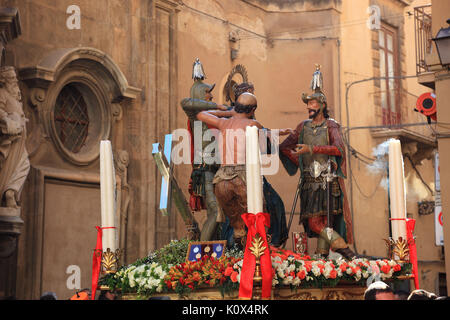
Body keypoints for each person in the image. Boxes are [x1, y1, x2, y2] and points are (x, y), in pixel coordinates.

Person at [279, 65, 356, 260]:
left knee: (323, 223)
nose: (308, 107)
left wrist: (311, 149)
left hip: (327, 182)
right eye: (308, 104)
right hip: (309, 183)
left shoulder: (331, 125)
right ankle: (343, 251)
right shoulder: (302, 127)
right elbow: (285, 147)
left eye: (312, 103)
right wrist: (301, 160)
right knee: (316, 224)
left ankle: (327, 256)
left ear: (321, 105)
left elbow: (339, 149)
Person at [198, 92, 290, 247]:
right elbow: (264, 139)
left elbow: (201, 114)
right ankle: (260, 256)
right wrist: (280, 132)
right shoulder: (252, 125)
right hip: (242, 177)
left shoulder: (223, 123)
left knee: (237, 225)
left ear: (236, 107)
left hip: (221, 179)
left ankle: (239, 253)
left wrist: (228, 112)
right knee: (260, 216)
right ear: (252, 110)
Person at [180, 58, 228, 241]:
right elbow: (186, 102)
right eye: (207, 92)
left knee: (221, 216)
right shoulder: (196, 113)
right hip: (205, 169)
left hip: (217, 169)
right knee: (215, 213)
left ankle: (214, 256)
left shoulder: (211, 115)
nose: (211, 96)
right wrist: (217, 106)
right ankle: (200, 255)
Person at [0, 66, 30, 208]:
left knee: (24, 164)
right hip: (10, 140)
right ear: (4, 80)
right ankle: (8, 192)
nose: (15, 81)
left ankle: (11, 192)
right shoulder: (2, 93)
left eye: (15, 78)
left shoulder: (14, 96)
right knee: (13, 166)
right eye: (12, 78)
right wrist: (8, 120)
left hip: (20, 140)